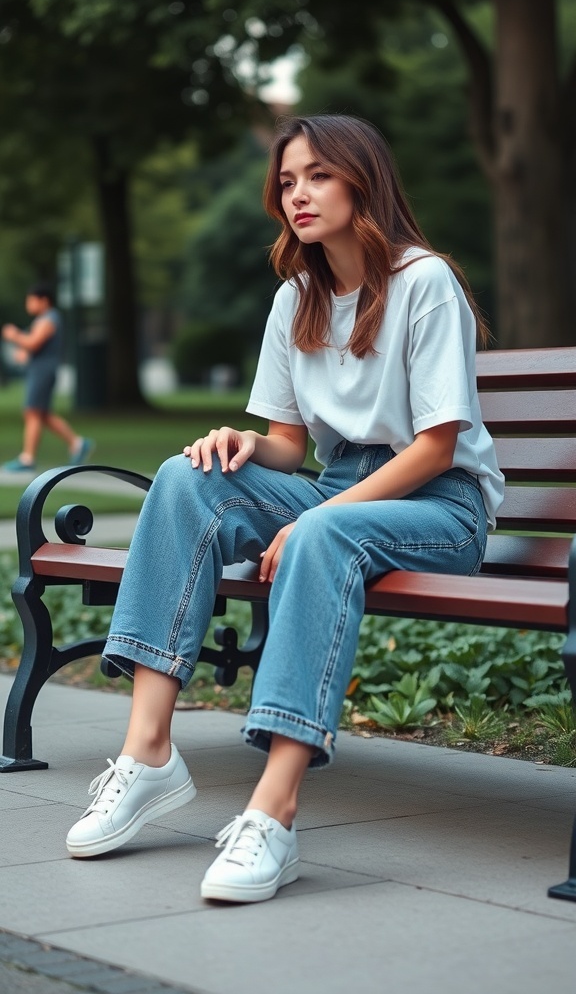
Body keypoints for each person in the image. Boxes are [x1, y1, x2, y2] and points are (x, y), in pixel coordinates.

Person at [65, 115, 504, 903]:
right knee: (185, 476)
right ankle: (149, 754)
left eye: (318, 176)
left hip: (442, 506)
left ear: (362, 181)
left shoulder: (423, 280)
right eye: (289, 180)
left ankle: (275, 809)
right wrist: (240, 442)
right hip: (341, 487)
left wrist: (313, 519)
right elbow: (290, 448)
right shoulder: (296, 298)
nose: (297, 194)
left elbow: (438, 448)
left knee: (325, 532)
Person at [1, 284, 93, 472]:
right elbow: (33, 345)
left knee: (32, 411)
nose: (28, 304)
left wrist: (14, 335)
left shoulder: (49, 319)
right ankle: (77, 443)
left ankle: (28, 458)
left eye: (31, 300)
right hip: (40, 369)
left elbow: (33, 343)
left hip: (42, 371)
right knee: (43, 414)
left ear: (43, 300)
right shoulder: (43, 320)